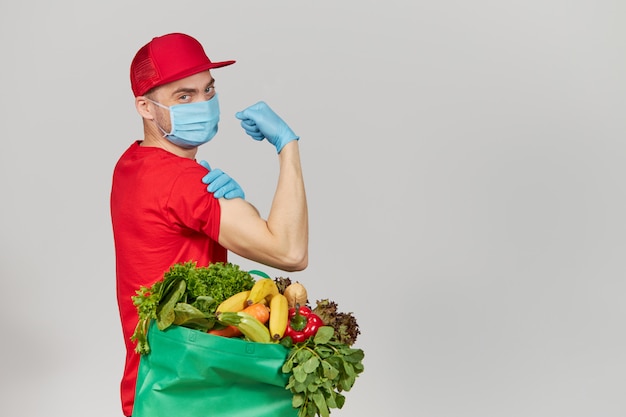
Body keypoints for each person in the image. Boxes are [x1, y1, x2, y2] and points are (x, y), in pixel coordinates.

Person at [110, 32, 308, 417]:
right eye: (183, 96)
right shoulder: (181, 181)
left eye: (208, 90)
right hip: (188, 392)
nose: (203, 104)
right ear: (145, 108)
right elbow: (290, 252)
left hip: (155, 382)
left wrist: (232, 205)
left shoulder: (131, 164)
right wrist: (288, 146)